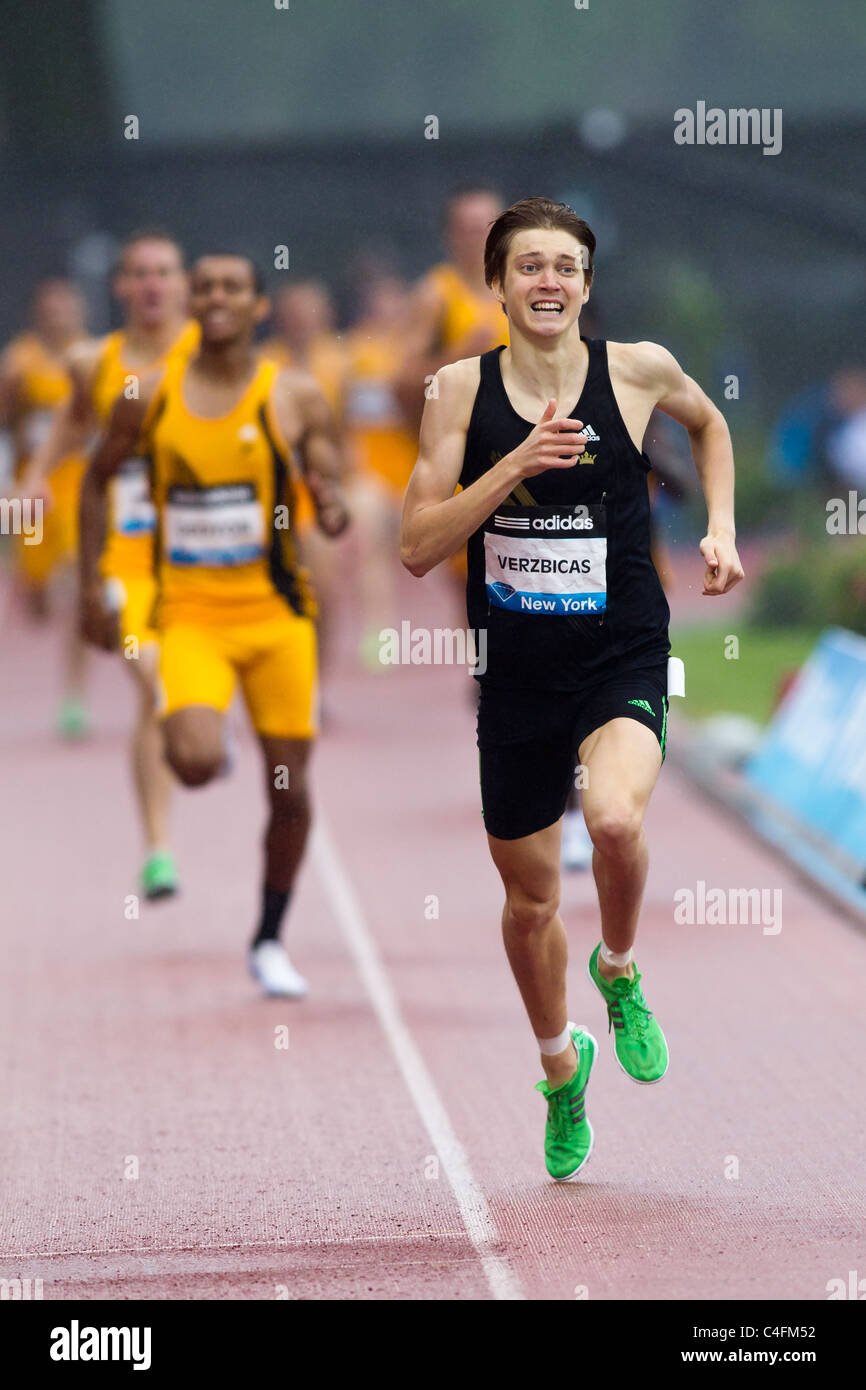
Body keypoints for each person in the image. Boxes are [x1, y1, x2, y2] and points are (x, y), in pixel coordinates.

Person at [401, 198, 743, 1181]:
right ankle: (560, 1069)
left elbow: (709, 425)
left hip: (619, 654)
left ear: (585, 286)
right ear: (497, 285)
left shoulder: (634, 370)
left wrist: (717, 525)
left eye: (564, 266)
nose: (546, 281)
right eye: (526, 266)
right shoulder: (457, 393)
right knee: (527, 902)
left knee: (615, 820)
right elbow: (418, 548)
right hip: (514, 676)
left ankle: (620, 969)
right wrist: (513, 461)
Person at [79, 252, 349, 997]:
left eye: (233, 286)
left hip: (277, 619)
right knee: (194, 763)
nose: (215, 297)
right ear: (192, 303)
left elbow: (335, 491)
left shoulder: (293, 395)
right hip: (190, 614)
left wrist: (330, 506)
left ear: (258, 305)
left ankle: (267, 938)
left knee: (289, 791)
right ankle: (205, 731)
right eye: (204, 287)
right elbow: (97, 482)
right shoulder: (150, 393)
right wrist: (86, 589)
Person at [26, 230, 197, 898]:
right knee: (153, 685)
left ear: (184, 284)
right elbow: (70, 425)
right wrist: (38, 476)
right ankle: (158, 850)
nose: (153, 284)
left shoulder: (217, 353)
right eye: (139, 274)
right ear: (121, 287)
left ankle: (202, 732)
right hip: (128, 559)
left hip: (211, 559)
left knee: (183, 699)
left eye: (165, 272)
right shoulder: (95, 361)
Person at [0, 279, 91, 732]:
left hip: (78, 488)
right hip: (31, 491)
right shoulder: (20, 362)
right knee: (36, 599)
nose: (59, 317)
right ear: (39, 314)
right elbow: (7, 421)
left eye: (66, 309)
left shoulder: (93, 360)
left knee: (75, 585)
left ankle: (73, 697)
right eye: (51, 309)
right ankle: (29, 581)